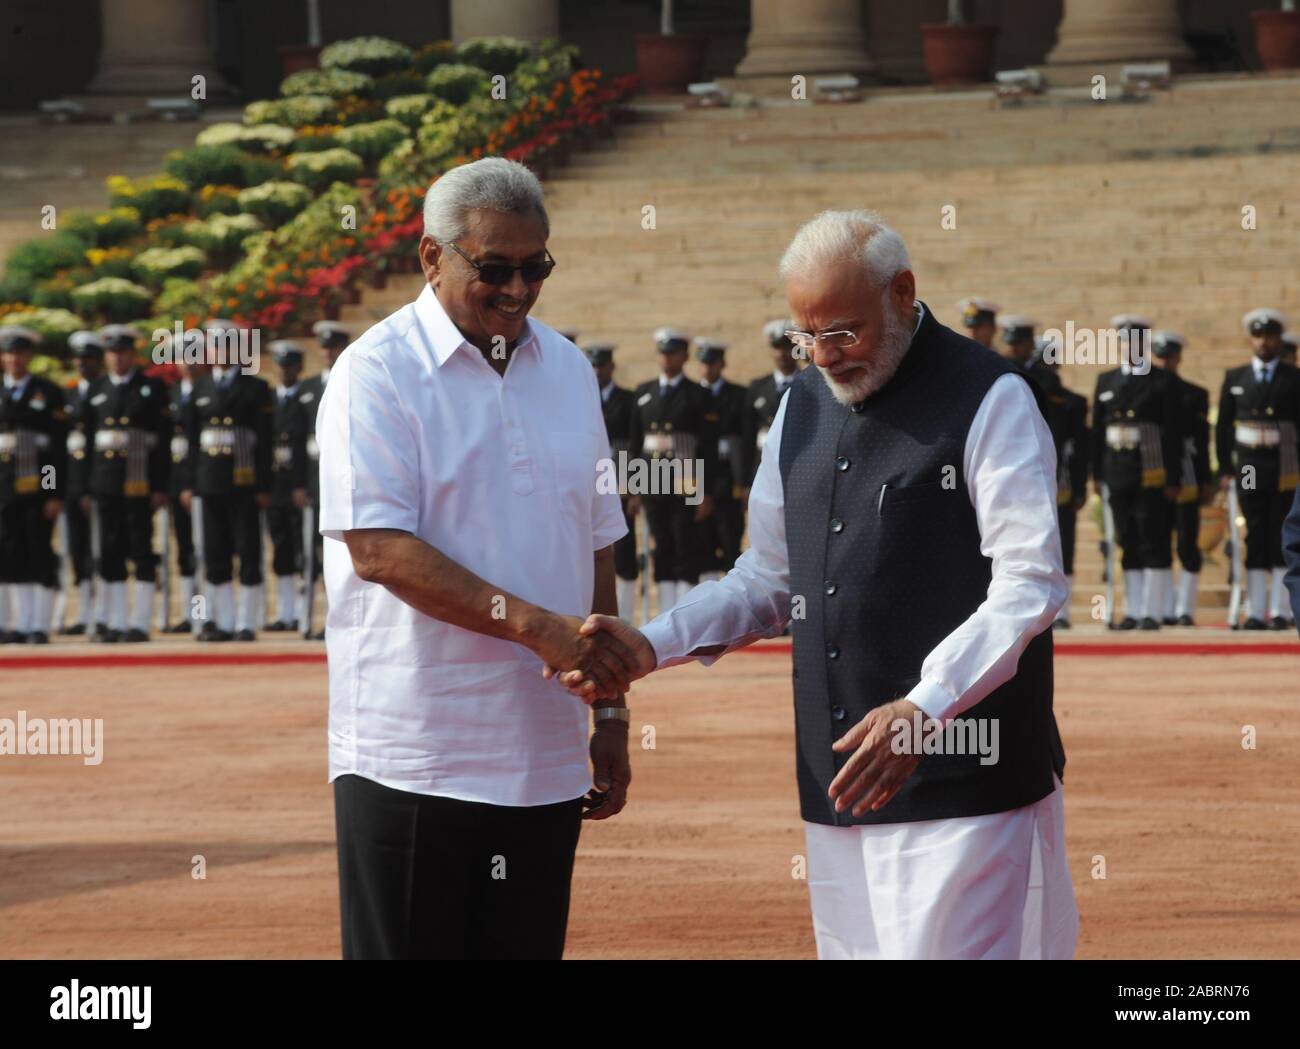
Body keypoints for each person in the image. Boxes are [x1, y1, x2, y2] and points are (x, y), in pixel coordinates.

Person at [559, 210, 1077, 960]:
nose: (826, 356)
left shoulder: (990, 397)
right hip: (838, 787)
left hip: (966, 784)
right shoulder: (801, 405)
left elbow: (1031, 582)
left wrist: (925, 707)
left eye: (845, 332)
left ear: (903, 293)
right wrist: (651, 643)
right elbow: (769, 575)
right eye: (809, 336)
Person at [316, 157, 636, 960]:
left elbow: (596, 538)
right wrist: (536, 628)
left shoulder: (566, 368)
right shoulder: (375, 374)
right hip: (415, 759)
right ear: (432, 256)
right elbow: (380, 550)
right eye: (494, 269)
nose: (519, 290)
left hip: (542, 759)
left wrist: (609, 710)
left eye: (536, 268)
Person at [181, 318, 273, 641]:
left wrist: (264, 486)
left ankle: (245, 622)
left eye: (225, 344)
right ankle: (218, 620)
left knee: (248, 551)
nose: (219, 351)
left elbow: (264, 442)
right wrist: (189, 484)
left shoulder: (255, 387)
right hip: (209, 481)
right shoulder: (200, 387)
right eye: (214, 345)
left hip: (245, 482)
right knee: (213, 552)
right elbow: (191, 442)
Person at [79, 324, 170, 642]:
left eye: (123, 352)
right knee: (109, 551)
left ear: (133, 355)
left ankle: (140, 622)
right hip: (105, 482)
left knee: (141, 550)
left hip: (139, 482)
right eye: (112, 353)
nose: (117, 359)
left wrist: (160, 486)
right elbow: (86, 444)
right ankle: (114, 621)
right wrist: (85, 487)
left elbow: (162, 442)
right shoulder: (96, 389)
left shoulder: (151, 388)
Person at [1091, 315, 1183, 629]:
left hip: (1151, 469)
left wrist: (1173, 477)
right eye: (1126, 341)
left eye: (1136, 341)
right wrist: (1097, 474)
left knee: (1152, 537)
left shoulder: (1162, 381)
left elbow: (1172, 432)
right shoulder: (1107, 381)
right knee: (1126, 537)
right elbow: (1097, 431)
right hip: (1117, 469)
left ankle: (1152, 611)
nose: (1131, 347)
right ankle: (1132, 610)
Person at [1216, 308, 1300, 630]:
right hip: (1249, 466)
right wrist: (1225, 469)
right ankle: (1255, 610)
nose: (1264, 342)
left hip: (1285, 466)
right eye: (1258, 335)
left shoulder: (1294, 378)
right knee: (1254, 528)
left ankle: (1281, 610)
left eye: (1270, 336)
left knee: (1283, 528)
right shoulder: (1236, 377)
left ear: (1279, 339)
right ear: (1251, 338)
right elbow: (1224, 428)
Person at [629, 327, 716, 613]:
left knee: (684, 544)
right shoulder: (644, 393)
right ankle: (666, 611)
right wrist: (632, 488)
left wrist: (704, 491)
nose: (667, 359)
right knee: (661, 545)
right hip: (652, 479)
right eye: (663, 353)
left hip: (684, 478)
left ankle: (686, 611)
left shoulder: (696, 395)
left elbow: (707, 445)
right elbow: (634, 443)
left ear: (685, 356)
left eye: (673, 353)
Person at [0, 325, 67, 644]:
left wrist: (52, 490)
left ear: (29, 357)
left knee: (37, 550)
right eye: (9, 353)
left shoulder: (47, 391)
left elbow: (55, 449)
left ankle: (37, 624)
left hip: (36, 485)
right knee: (6, 551)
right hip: (3, 485)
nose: (14, 359)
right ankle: (9, 622)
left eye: (20, 353)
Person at [1151, 331, 1213, 625]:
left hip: (1186, 473)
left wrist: (1206, 480)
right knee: (1158, 541)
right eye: (1160, 356)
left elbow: (1200, 442)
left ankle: (1185, 608)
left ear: (1178, 358)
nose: (1164, 361)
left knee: (1188, 542)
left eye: (1169, 356)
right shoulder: (1146, 390)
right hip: (1152, 473)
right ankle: (1161, 608)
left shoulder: (1193, 394)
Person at [296, 320, 351, 639]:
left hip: (343, 476)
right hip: (315, 478)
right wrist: (299, 484)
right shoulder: (309, 387)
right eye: (325, 347)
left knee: (341, 552)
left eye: (334, 346)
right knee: (311, 553)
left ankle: (337, 619)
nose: (329, 352)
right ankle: (310, 619)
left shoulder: (355, 377)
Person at [585, 342, 640, 620]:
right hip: (587, 482)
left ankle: (625, 616)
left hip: (620, 481)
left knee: (625, 549)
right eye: (592, 365)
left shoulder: (628, 400)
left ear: (611, 367)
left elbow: (634, 445)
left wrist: (634, 489)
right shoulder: (577, 396)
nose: (597, 371)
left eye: (601, 366)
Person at [60, 330, 104, 636]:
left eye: (88, 359)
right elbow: (52, 450)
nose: (82, 364)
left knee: (103, 552)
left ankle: (103, 614)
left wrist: (91, 488)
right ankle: (84, 613)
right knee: (77, 551)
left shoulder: (106, 392)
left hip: (101, 485)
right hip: (69, 486)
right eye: (78, 359)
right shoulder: (67, 395)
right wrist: (52, 489)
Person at [165, 331, 209, 635]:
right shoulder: (169, 395)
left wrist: (192, 483)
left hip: (203, 483)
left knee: (205, 550)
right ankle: (188, 612)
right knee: (183, 551)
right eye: (183, 357)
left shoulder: (209, 391)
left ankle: (205, 614)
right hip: (173, 481)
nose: (188, 363)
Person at [266, 340, 309, 631]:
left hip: (299, 481)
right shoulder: (269, 399)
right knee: (280, 546)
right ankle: (285, 612)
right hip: (275, 481)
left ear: (299, 367)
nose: (285, 370)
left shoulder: (306, 396)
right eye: (281, 365)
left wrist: (302, 484)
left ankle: (304, 611)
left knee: (303, 548)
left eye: (291, 365)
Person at [694, 337, 745, 582]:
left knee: (730, 541)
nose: (707, 368)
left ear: (721, 363)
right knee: (702, 544)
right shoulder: (692, 395)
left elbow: (744, 441)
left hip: (727, 477)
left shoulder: (738, 395)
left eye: (712, 362)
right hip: (700, 476)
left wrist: (743, 482)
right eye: (703, 362)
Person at [742, 319, 798, 491]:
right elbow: (748, 434)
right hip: (762, 466)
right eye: (777, 347)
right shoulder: (757, 387)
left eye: (787, 347)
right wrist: (745, 482)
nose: (782, 353)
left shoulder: (809, 384)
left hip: (796, 464)